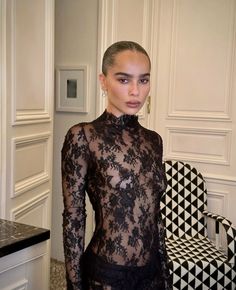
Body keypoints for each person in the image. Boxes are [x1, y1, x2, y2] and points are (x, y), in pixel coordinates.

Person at [61, 40, 171, 290]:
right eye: (124, 80)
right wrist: (74, 285)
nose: (136, 91)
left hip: (151, 274)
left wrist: (164, 273)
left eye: (143, 80)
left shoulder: (154, 141)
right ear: (103, 81)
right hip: (107, 275)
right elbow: (74, 218)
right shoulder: (83, 136)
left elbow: (155, 217)